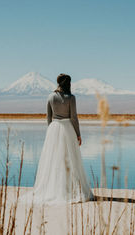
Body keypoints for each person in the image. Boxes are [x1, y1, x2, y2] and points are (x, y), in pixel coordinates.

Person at [21, 73, 93, 204]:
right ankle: (69, 190)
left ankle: (56, 189)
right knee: (70, 159)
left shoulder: (51, 96)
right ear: (68, 83)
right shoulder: (71, 98)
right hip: (68, 129)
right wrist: (78, 134)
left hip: (54, 128)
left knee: (54, 160)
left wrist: (51, 131)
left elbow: (48, 117)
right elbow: (74, 117)